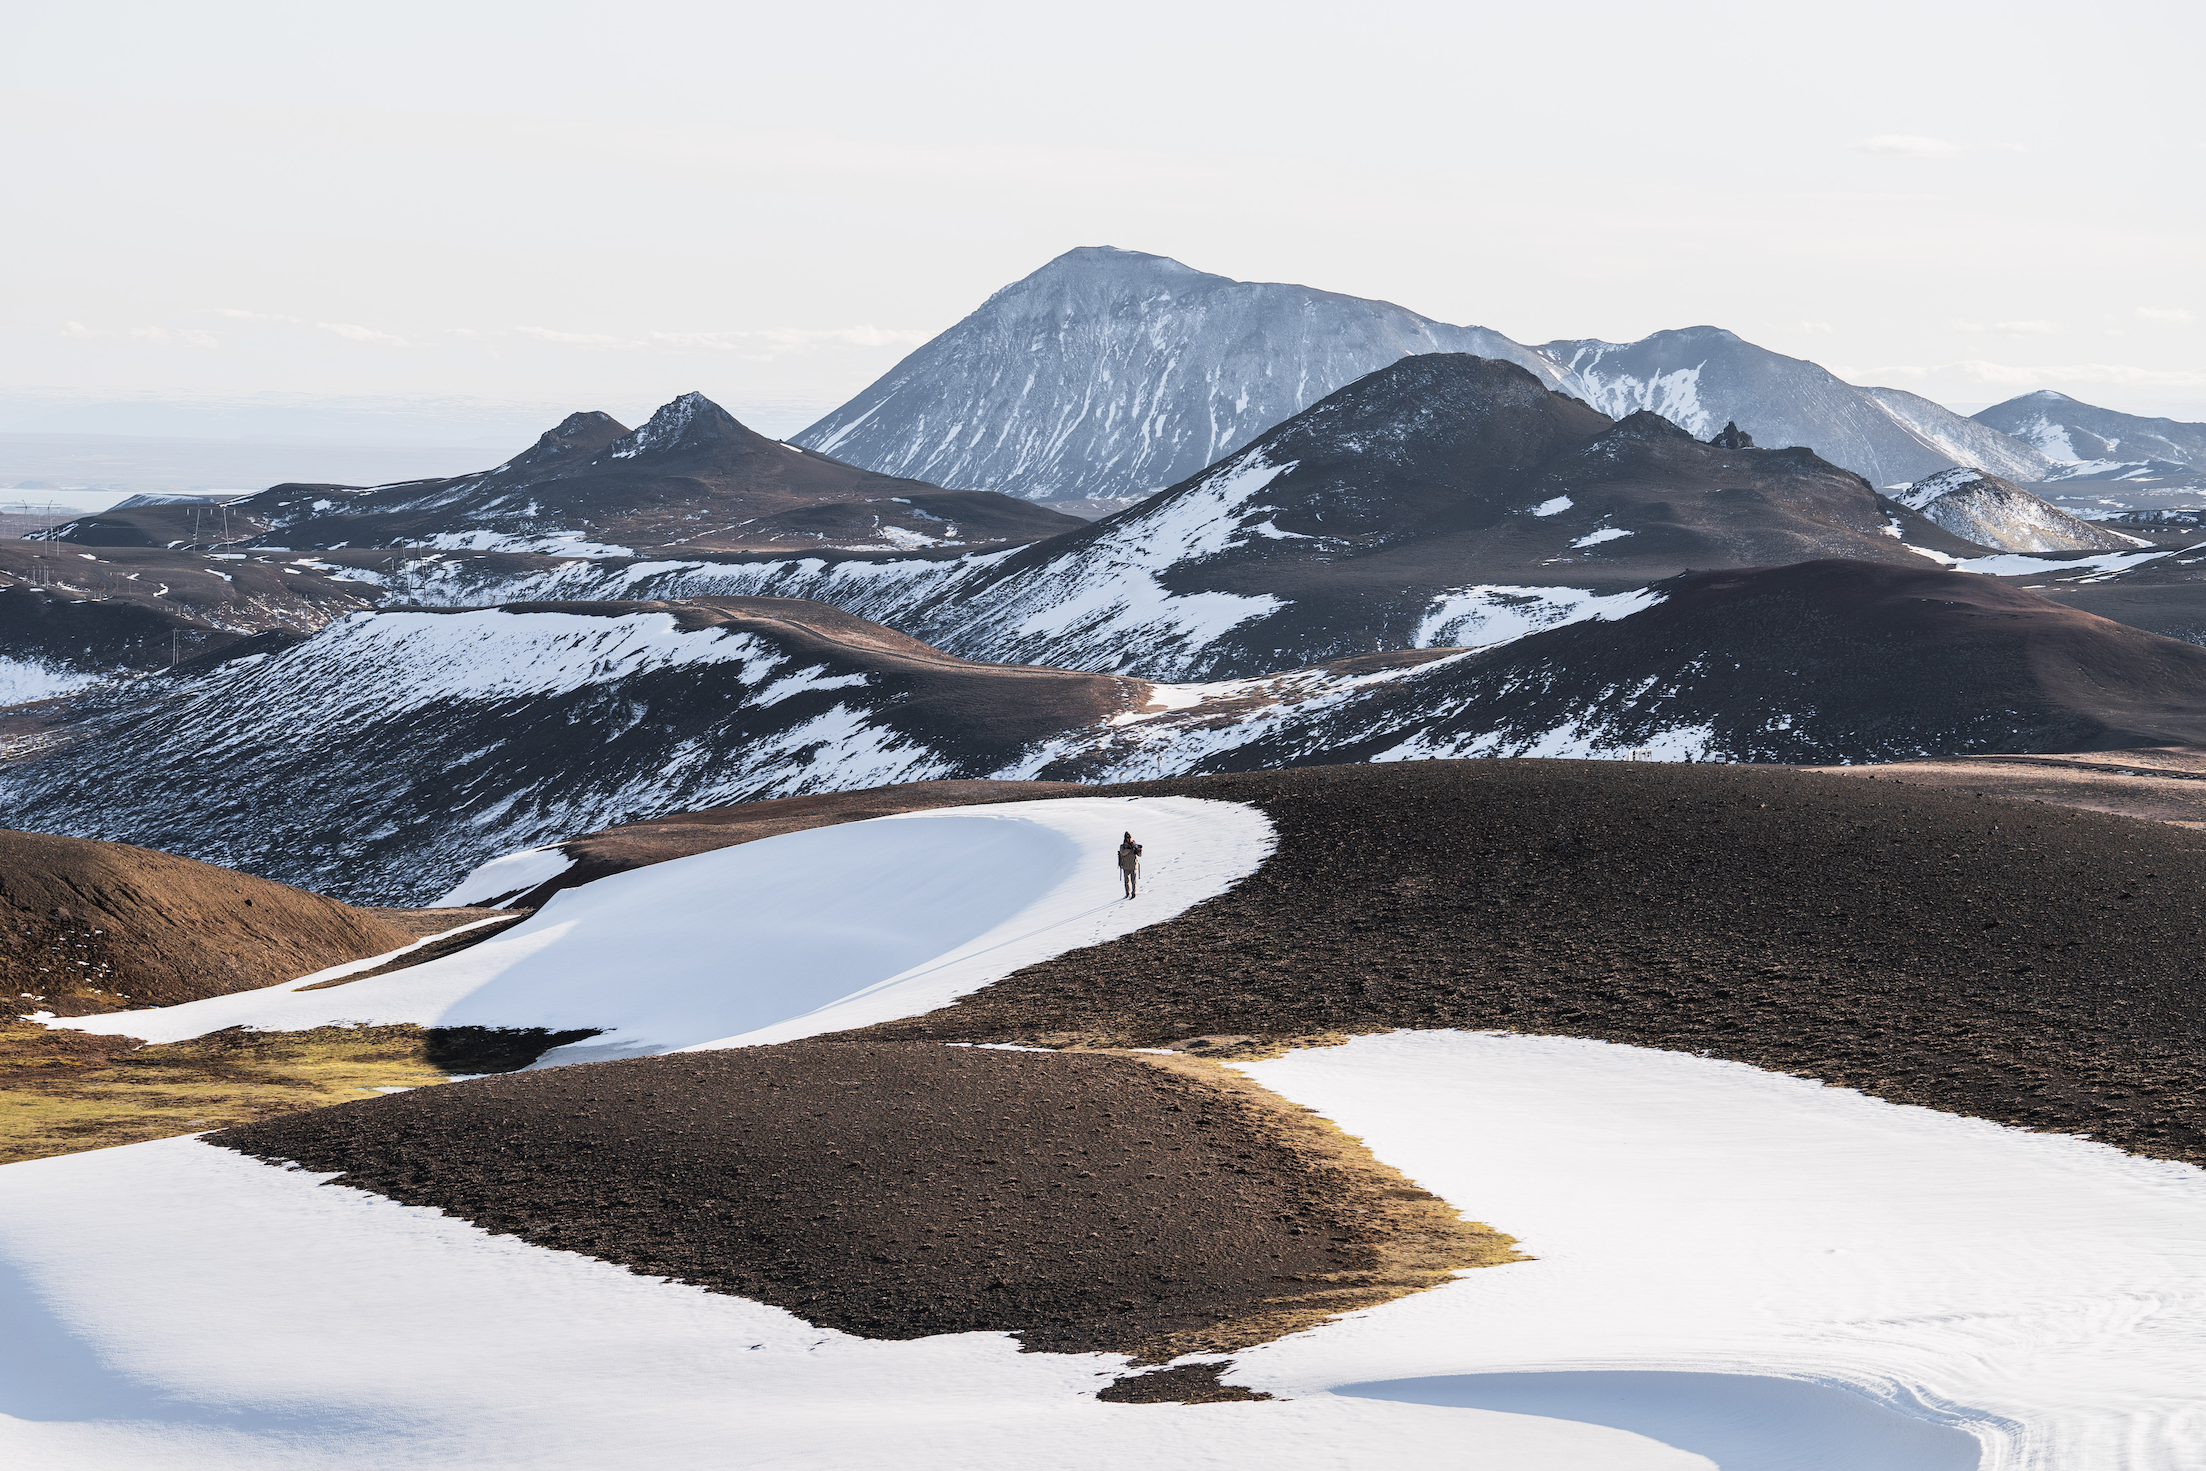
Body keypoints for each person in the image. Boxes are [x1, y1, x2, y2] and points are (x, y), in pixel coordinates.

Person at [1117, 831, 1143, 899]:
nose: (1129, 839)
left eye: (1130, 838)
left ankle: (1134, 893)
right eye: (1127, 838)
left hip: (1133, 865)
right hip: (1125, 866)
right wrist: (1129, 848)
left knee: (1133, 881)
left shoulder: (1134, 845)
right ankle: (1127, 893)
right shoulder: (1122, 846)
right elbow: (1123, 853)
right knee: (1126, 881)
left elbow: (1140, 855)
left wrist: (1139, 850)